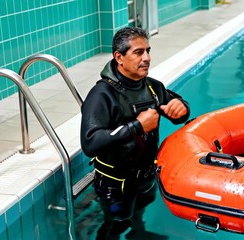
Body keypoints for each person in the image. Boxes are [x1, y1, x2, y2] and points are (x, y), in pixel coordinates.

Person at [80, 27, 190, 239]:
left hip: (147, 178)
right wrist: (137, 127)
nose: (147, 58)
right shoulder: (101, 95)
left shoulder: (153, 88)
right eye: (138, 52)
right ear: (119, 57)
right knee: (116, 226)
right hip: (115, 185)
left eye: (148, 51)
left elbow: (178, 109)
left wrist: (182, 109)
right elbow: (90, 143)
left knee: (138, 216)